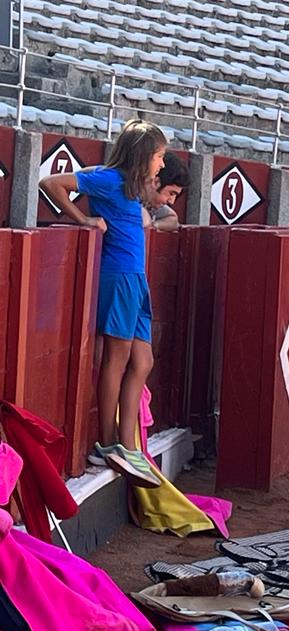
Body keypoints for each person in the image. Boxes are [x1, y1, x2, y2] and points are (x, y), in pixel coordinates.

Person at [39, 119, 167, 489]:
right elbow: (51, 183)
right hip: (119, 276)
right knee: (117, 356)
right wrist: (84, 219)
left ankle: (126, 444)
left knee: (143, 360)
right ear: (143, 155)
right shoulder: (107, 178)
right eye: (158, 156)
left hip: (135, 279)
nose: (160, 164)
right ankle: (110, 441)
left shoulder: (130, 185)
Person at [142, 152, 189, 232]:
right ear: (156, 183)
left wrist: (154, 225)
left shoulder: (151, 203)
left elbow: (173, 220)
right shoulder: (129, 198)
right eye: (171, 193)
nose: (172, 201)